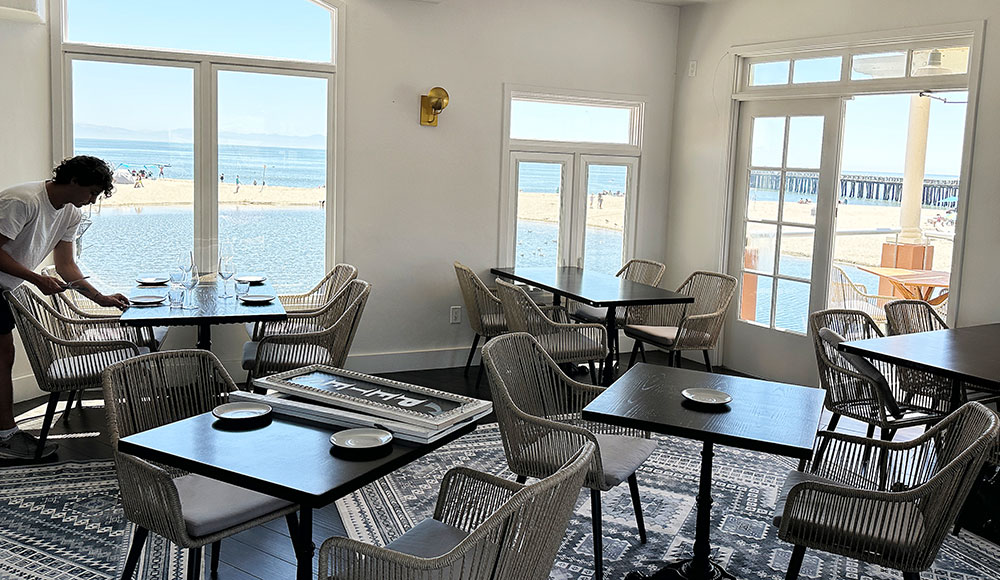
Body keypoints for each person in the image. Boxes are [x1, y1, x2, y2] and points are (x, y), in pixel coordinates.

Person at [0, 156, 129, 460]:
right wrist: (34, 279)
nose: (92, 200)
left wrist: (101, 298)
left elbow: (66, 265)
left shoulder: (70, 213)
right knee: (3, 357)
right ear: (72, 181)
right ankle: (6, 437)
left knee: (3, 358)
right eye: (91, 193)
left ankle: (6, 433)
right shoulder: (23, 201)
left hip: (2, 287)